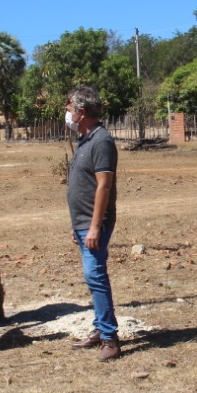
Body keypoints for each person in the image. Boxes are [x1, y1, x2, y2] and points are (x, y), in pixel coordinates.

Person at [65, 87, 120, 361]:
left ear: (81, 112)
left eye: (70, 108)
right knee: (92, 276)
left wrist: (95, 226)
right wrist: (77, 226)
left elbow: (103, 186)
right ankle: (100, 329)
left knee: (95, 276)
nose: (67, 113)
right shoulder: (84, 139)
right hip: (83, 223)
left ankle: (110, 338)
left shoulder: (102, 142)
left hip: (94, 223)